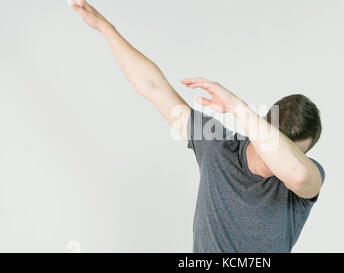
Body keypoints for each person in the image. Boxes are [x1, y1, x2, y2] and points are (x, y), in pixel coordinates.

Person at [71, 0, 325, 253]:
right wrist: (106, 28)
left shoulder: (307, 178)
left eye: (293, 153)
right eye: (274, 143)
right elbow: (154, 87)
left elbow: (300, 174)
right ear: (261, 128)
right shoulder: (218, 146)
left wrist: (237, 107)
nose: (277, 161)